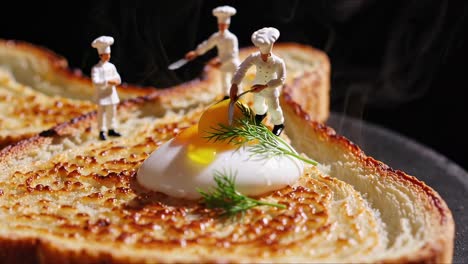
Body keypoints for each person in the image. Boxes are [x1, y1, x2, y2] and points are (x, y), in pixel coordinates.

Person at [230, 27, 286, 136]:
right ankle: (261, 114)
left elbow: (281, 79)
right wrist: (235, 84)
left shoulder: (279, 62)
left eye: (265, 54)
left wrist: (265, 86)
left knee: (274, 108)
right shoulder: (254, 57)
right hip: (256, 87)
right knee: (258, 105)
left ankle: (279, 124)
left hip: (270, 89)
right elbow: (242, 69)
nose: (263, 56)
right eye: (261, 52)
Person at [185, 5, 239, 98]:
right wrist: (196, 52)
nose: (222, 27)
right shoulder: (216, 36)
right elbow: (207, 45)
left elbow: (233, 53)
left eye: (224, 25)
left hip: (232, 63)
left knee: (235, 81)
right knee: (224, 80)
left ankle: (238, 97)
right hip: (222, 63)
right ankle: (226, 96)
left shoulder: (232, 38)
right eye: (220, 25)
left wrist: (220, 61)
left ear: (227, 25)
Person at [91, 36, 122, 141]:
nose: (108, 56)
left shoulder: (112, 66)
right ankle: (102, 131)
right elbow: (96, 81)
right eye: (106, 55)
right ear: (101, 55)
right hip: (102, 95)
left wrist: (117, 81)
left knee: (112, 112)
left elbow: (118, 78)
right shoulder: (96, 68)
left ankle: (111, 129)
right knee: (102, 114)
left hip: (111, 94)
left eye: (109, 54)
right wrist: (108, 81)